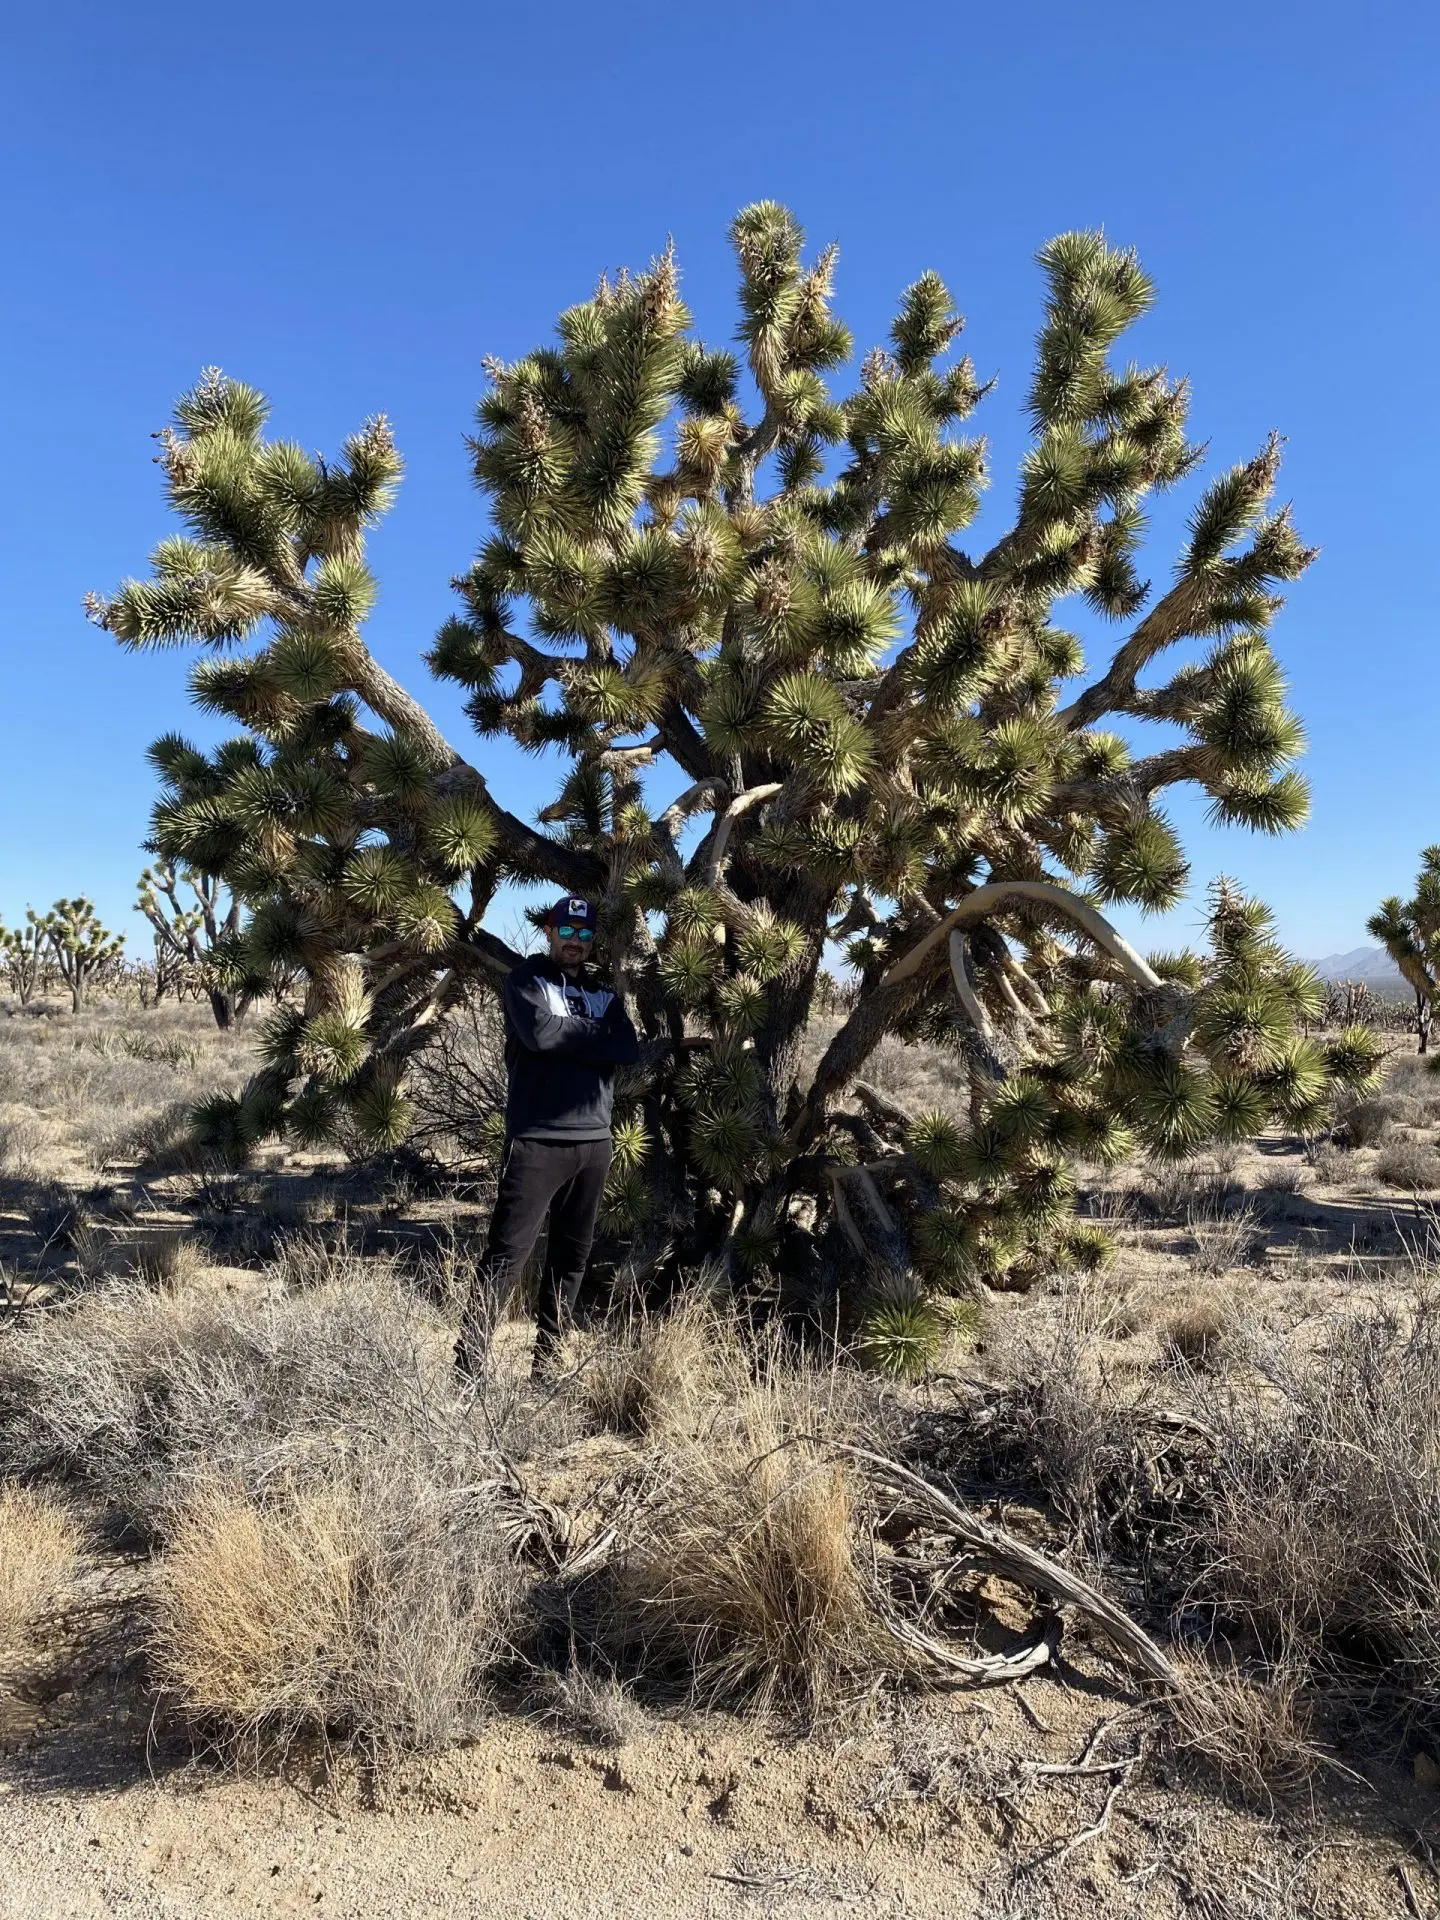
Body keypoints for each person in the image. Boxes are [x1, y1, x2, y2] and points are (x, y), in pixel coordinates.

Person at [456, 896, 640, 1381]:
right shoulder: (525, 980)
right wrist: (595, 1037)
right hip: (536, 1140)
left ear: (592, 940)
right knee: (506, 1256)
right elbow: (539, 1035)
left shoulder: (604, 993)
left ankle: (547, 1365)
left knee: (572, 1256)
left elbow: (627, 1046)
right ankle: (467, 1370)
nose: (574, 941)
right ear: (550, 932)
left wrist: (570, 1034)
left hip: (595, 1142)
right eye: (566, 931)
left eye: (584, 933)